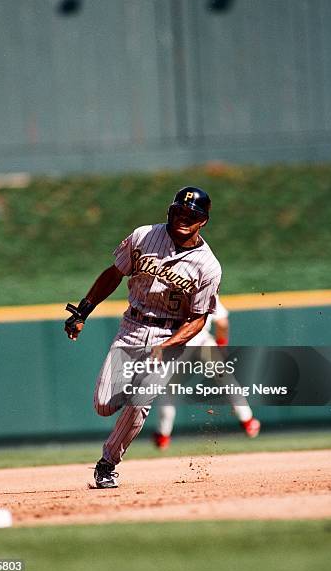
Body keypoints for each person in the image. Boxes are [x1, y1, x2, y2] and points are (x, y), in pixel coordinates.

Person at [64, 186, 222, 488]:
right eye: (179, 211)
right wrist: (82, 312)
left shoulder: (208, 266)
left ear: (203, 221)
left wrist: (167, 346)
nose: (183, 218)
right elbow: (114, 274)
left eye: (192, 215)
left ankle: (108, 463)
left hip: (170, 333)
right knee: (103, 405)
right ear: (170, 211)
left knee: (140, 400)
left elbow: (199, 319)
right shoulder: (144, 236)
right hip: (132, 328)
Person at [152, 295, 261, 449]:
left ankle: (163, 436)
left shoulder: (168, 294)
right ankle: (248, 421)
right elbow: (222, 323)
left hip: (178, 348)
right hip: (203, 343)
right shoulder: (207, 292)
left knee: (169, 391)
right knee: (227, 381)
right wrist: (221, 347)